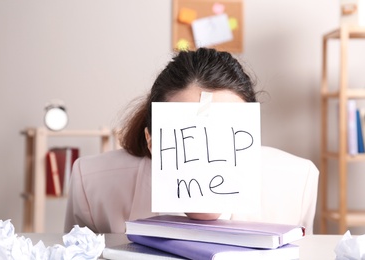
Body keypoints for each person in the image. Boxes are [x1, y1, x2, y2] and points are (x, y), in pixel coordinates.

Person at [64, 48, 318, 234]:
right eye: (187, 135)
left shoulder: (298, 183)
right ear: (151, 139)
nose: (207, 158)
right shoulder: (91, 183)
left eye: (226, 135)